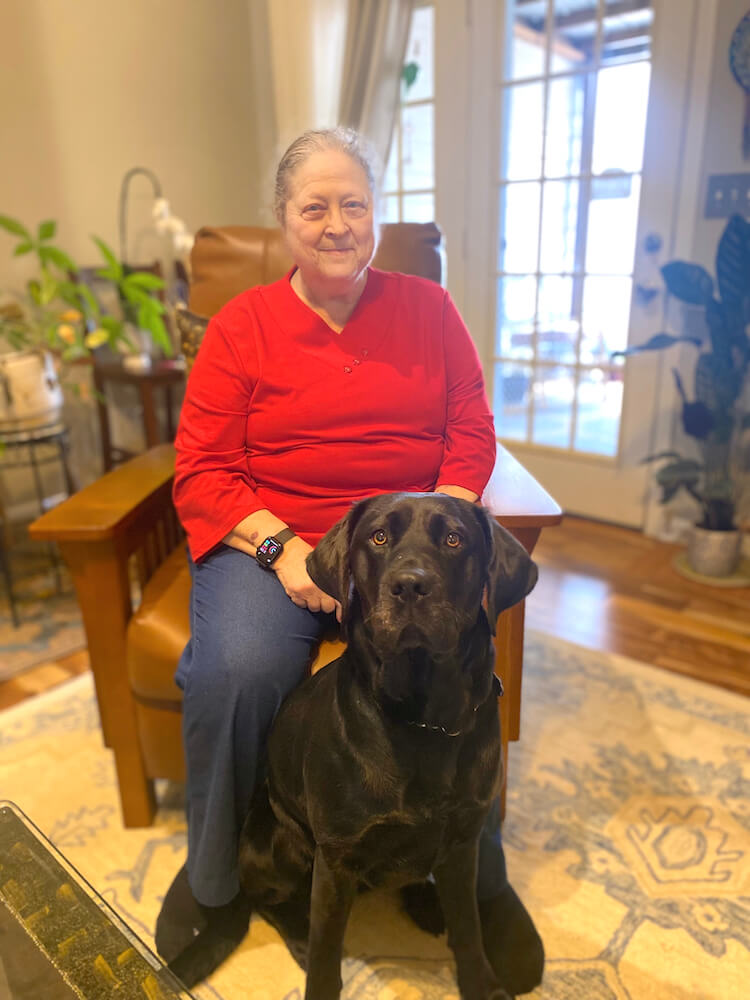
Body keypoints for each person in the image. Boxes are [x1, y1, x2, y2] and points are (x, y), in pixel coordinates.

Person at [155, 126, 544, 996]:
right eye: (314, 206)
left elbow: (470, 433)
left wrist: (442, 529)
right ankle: (216, 881)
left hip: (407, 544)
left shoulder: (430, 311)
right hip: (280, 545)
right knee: (239, 668)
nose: (337, 224)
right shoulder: (239, 326)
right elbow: (203, 468)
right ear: (284, 220)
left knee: (466, 666)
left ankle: (475, 878)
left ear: (377, 215)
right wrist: (281, 547)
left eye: (355, 204)